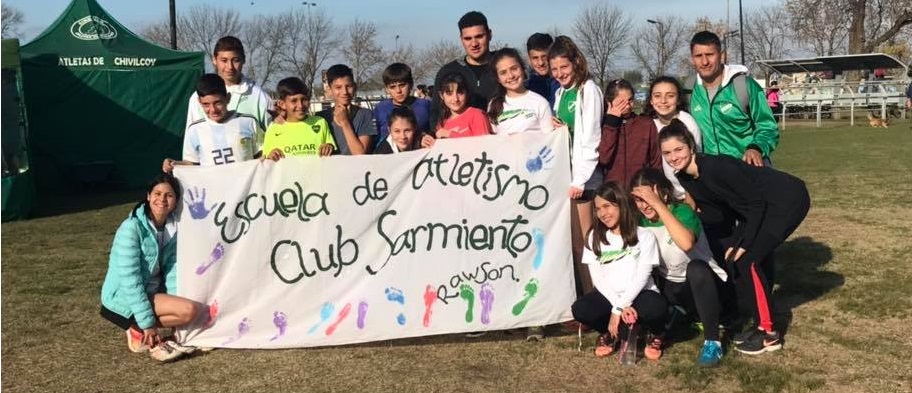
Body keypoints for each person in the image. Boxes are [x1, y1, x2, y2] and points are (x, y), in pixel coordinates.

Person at [659, 119, 810, 355]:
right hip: (756, 209)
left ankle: (769, 334)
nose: (674, 157)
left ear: (690, 145)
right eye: (667, 153)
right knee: (733, 259)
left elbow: (755, 203)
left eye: (678, 149)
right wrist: (685, 216)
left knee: (747, 260)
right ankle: (757, 320)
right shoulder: (685, 178)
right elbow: (720, 215)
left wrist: (745, 242)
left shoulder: (717, 167)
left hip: (785, 199)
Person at [100, 174, 210, 362]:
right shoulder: (131, 228)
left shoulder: (174, 229)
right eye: (157, 193)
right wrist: (148, 324)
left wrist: (176, 304)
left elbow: (172, 272)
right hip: (123, 296)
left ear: (176, 201)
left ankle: (137, 328)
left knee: (190, 311)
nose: (162, 199)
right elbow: (130, 279)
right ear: (148, 196)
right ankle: (137, 326)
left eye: (169, 195)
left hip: (152, 292)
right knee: (189, 310)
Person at [629, 167, 728, 367]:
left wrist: (659, 205)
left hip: (703, 283)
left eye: (648, 197)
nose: (644, 205)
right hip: (671, 286)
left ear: (663, 192)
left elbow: (686, 243)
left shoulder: (682, 211)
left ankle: (712, 341)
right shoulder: (640, 222)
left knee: (697, 269)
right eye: (639, 199)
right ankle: (674, 321)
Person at [570, 181, 668, 360]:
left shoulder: (645, 236)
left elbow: (642, 276)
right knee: (581, 309)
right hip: (610, 296)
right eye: (598, 209)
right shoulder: (594, 237)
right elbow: (597, 279)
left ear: (621, 204)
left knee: (656, 307)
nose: (602, 214)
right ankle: (608, 332)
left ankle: (655, 333)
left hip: (641, 294)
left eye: (607, 206)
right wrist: (618, 306)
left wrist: (619, 308)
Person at [549, 35, 603, 297]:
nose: (560, 74)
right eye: (555, 69)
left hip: (585, 182)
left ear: (577, 63)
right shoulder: (561, 93)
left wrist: (580, 180)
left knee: (588, 244)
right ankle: (587, 300)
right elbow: (569, 133)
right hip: (567, 178)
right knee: (576, 245)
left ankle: (599, 299)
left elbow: (591, 138)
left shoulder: (588, 90)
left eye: (564, 67)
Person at [688, 31, 778, 167]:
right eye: (698, 56)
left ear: (722, 55)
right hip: (712, 176)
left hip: (748, 170)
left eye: (710, 55)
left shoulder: (744, 86)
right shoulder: (688, 90)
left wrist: (756, 148)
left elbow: (768, 127)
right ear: (692, 59)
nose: (705, 61)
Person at [162, 74, 262, 173]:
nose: (213, 110)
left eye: (218, 103)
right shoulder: (194, 130)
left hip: (246, 188)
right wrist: (174, 164)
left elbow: (262, 157)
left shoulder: (249, 122)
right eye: (206, 104)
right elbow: (192, 164)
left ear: (228, 98)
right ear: (199, 102)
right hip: (213, 189)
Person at [186, 36, 272, 133]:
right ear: (214, 60)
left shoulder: (258, 96)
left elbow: (274, 134)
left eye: (235, 60)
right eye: (224, 60)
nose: (230, 67)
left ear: (243, 60)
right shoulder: (198, 97)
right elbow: (192, 138)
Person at [430, 11, 499, 129]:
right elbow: (436, 112)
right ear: (461, 39)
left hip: (502, 141)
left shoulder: (504, 67)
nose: (474, 43)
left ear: (490, 35)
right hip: (459, 142)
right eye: (468, 38)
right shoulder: (448, 71)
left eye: (479, 36)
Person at [642, 76, 702, 200]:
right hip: (666, 195)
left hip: (689, 194)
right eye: (657, 96)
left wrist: (691, 195)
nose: (663, 101)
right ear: (651, 100)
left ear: (678, 100)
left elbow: (697, 162)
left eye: (670, 96)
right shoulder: (650, 124)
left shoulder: (687, 122)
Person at [598, 78, 662, 186]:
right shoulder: (602, 124)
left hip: (641, 188)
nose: (628, 106)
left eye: (630, 100)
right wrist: (611, 124)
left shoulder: (646, 124)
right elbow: (604, 158)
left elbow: (656, 161)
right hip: (613, 191)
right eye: (621, 102)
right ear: (609, 102)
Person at [263, 77, 336, 160]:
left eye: (304, 99)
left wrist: (328, 147)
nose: (300, 105)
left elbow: (331, 151)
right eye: (294, 101)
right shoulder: (273, 128)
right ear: (282, 104)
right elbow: (266, 159)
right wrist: (271, 156)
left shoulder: (320, 122)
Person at [487, 47, 554, 135]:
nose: (510, 76)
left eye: (514, 69)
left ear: (522, 69)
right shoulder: (493, 105)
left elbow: (551, 140)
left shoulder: (540, 103)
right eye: (503, 73)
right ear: (498, 78)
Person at [317, 64, 377, 155]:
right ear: (329, 89)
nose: (344, 92)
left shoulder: (365, 114)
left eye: (348, 86)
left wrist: (345, 122)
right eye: (338, 87)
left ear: (355, 87)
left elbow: (359, 154)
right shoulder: (320, 117)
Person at [373, 63, 432, 150]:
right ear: (386, 89)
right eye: (393, 87)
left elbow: (435, 131)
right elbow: (374, 140)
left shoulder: (425, 106)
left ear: (411, 84)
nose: (398, 91)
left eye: (402, 85)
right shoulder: (380, 109)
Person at [435, 72, 493, 138]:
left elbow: (483, 145)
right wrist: (428, 141)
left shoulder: (477, 115)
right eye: (449, 93)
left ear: (467, 93)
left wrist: (450, 134)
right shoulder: (442, 122)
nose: (455, 99)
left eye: (460, 93)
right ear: (441, 95)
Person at [525, 33, 560, 108]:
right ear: (529, 59)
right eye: (535, 58)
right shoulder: (527, 89)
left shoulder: (564, 83)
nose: (540, 63)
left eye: (544, 57)